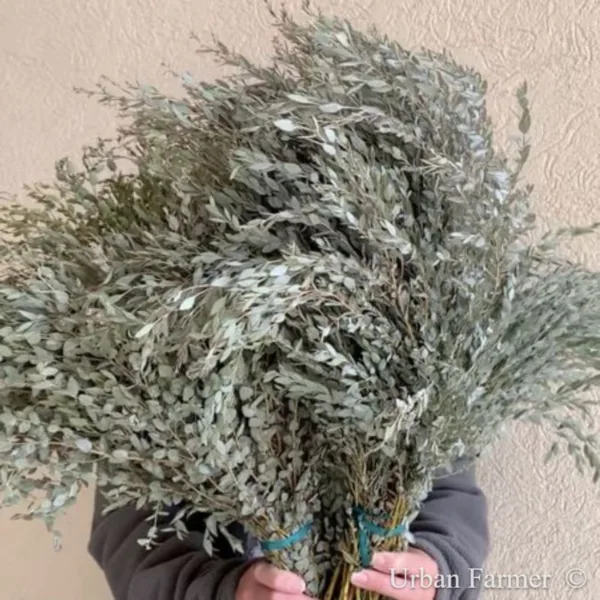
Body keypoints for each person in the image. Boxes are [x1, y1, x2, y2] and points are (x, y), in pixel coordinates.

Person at [88, 459, 488, 600]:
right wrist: (222, 591)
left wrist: (439, 568)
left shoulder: (412, 313)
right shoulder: (162, 327)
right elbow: (127, 531)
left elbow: (450, 494)